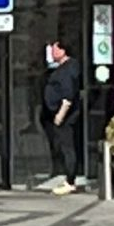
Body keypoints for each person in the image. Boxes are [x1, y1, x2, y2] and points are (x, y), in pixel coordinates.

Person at [41, 40, 82, 196]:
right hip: (58, 114)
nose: (51, 53)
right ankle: (67, 177)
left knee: (68, 147)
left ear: (63, 51)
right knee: (64, 146)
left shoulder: (68, 70)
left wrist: (60, 115)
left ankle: (70, 181)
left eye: (54, 49)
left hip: (65, 117)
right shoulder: (64, 68)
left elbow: (68, 96)